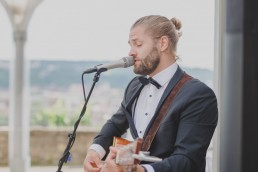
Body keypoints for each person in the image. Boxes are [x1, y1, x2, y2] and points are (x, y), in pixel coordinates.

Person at [83, 15, 218, 172]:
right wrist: (95, 151)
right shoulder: (134, 86)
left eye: (138, 44)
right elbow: (115, 124)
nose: (130, 52)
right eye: (130, 45)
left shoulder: (199, 95)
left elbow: (187, 160)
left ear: (163, 43)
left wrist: (140, 170)